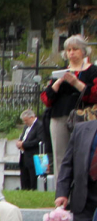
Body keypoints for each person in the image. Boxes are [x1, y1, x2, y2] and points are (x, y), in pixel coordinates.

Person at [40, 35, 96, 177]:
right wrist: (58, 83)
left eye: (75, 49)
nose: (71, 53)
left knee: (82, 155)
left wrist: (76, 82)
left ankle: (81, 191)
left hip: (84, 118)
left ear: (83, 51)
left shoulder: (92, 71)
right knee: (61, 156)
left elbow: (94, 95)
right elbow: (46, 99)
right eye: (69, 50)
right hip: (59, 116)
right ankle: (62, 193)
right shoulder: (60, 72)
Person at [14, 108, 46, 190]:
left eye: (26, 120)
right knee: (25, 177)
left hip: (34, 156)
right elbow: (23, 137)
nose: (25, 123)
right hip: (24, 155)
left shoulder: (40, 125)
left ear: (32, 117)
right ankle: (25, 189)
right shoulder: (26, 127)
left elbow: (39, 140)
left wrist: (24, 144)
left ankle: (33, 189)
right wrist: (19, 143)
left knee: (33, 178)